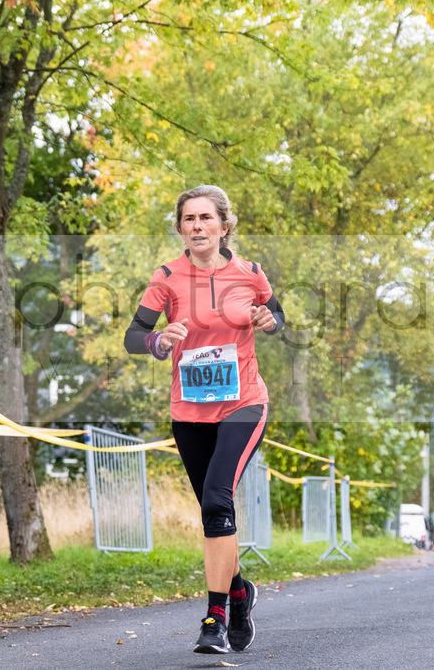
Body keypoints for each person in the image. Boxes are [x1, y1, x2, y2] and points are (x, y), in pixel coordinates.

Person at [124, 185, 285, 655]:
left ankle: (215, 619)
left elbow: (276, 315)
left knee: (217, 502)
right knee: (216, 514)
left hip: (243, 403)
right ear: (180, 228)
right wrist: (158, 340)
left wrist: (270, 321)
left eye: (206, 218)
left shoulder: (250, 273)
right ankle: (239, 592)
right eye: (189, 219)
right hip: (190, 410)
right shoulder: (166, 277)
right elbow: (134, 336)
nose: (197, 226)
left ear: (224, 225)